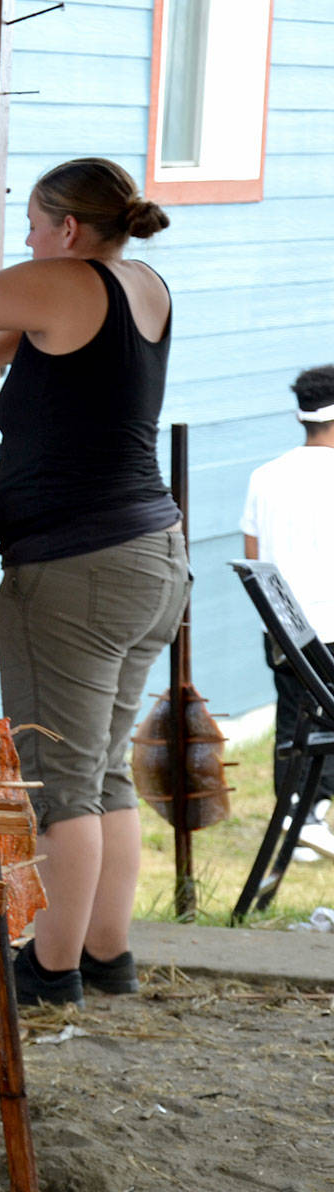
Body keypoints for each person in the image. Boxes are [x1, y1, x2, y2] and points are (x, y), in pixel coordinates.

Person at [0, 156, 186, 1007]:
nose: (23, 240)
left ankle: (48, 969)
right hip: (151, 555)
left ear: (65, 229)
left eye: (31, 222)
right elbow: (29, 334)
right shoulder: (141, 282)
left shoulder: (62, 279)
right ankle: (106, 955)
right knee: (103, 774)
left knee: (58, 781)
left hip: (76, 572)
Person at [240, 365, 334, 857]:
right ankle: (311, 813)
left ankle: (298, 814)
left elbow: (254, 557)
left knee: (293, 716)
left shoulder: (265, 476)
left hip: (284, 629)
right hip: (332, 625)